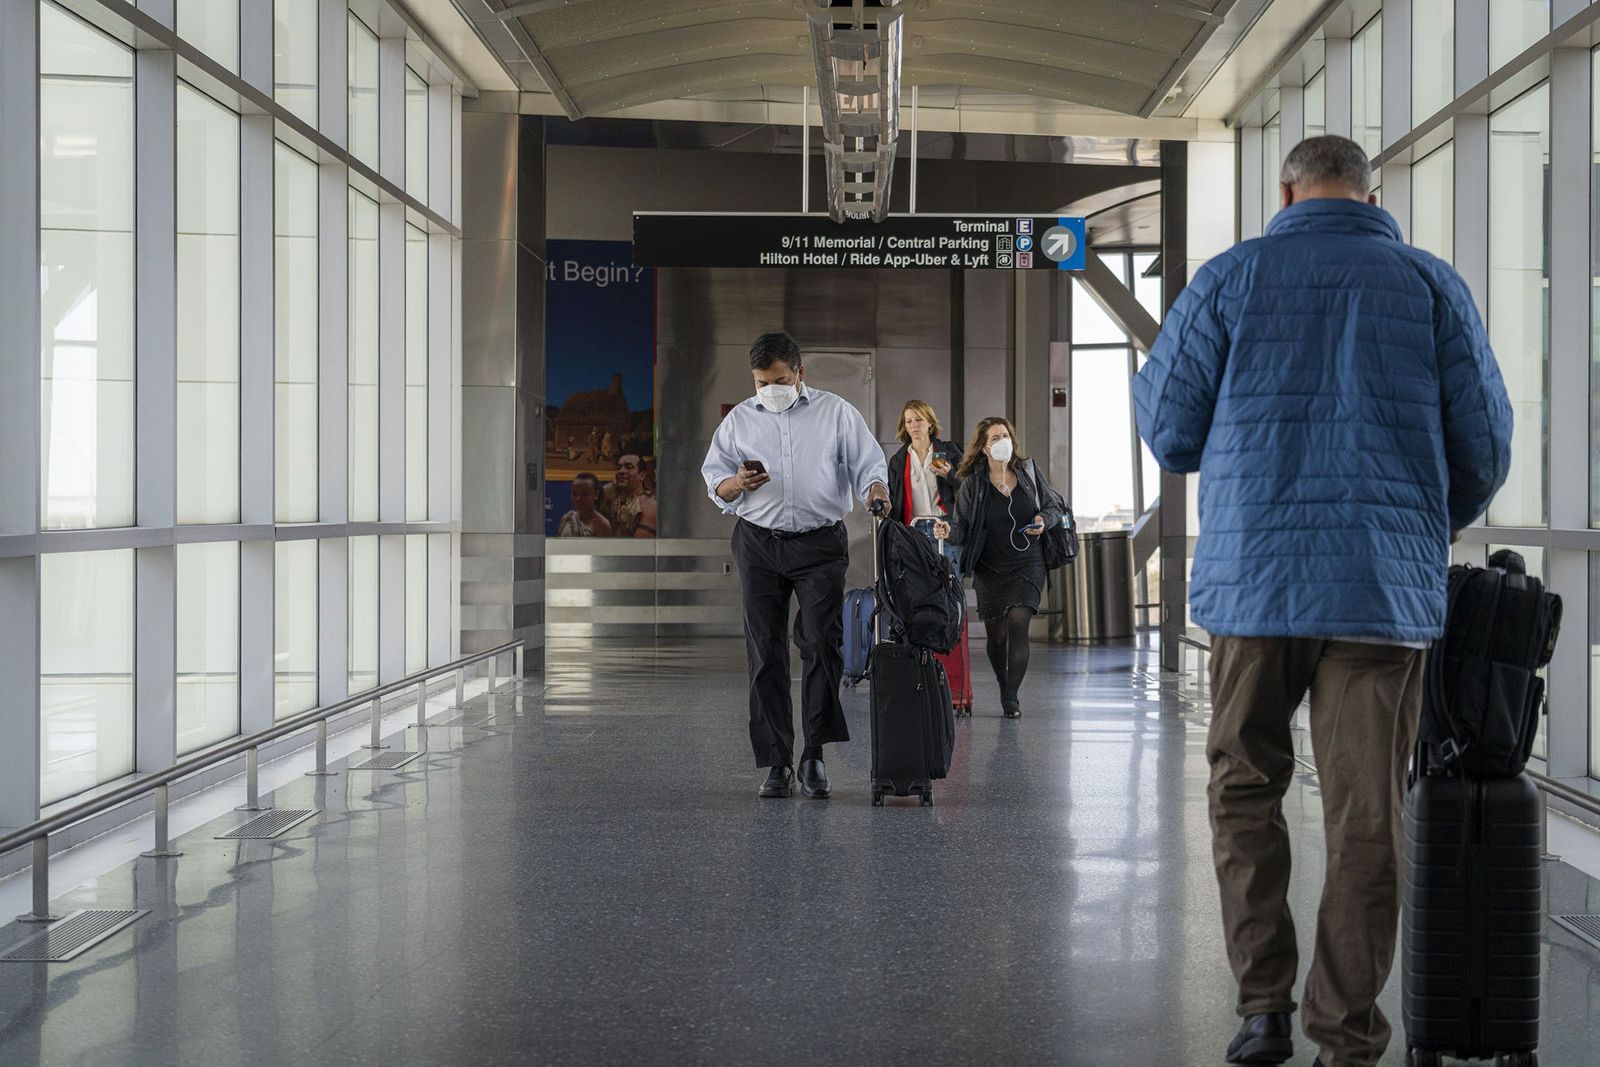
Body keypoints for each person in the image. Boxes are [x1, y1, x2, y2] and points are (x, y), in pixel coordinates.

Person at [1133, 135, 1512, 1067]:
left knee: (1244, 790)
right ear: (1370, 189)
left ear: (1287, 188)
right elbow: (1487, 448)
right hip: (1380, 596)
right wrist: (1422, 521)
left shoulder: (1227, 280)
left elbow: (1171, 431)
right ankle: (1346, 1031)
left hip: (1254, 590)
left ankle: (1262, 1006)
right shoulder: (1431, 285)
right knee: (1367, 815)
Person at [701, 331, 889, 800]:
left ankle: (815, 757)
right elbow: (714, 482)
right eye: (762, 382)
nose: (770, 389)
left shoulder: (837, 412)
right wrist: (737, 483)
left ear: (800, 373)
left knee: (821, 644)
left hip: (820, 544)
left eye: (780, 379)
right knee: (764, 651)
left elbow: (869, 465)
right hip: (757, 543)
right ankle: (777, 763)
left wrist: (876, 491)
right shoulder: (740, 420)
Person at [933, 416, 1062, 720]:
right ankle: (1004, 683)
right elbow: (961, 528)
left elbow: (1055, 505)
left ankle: (1011, 696)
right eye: (994, 438)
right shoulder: (973, 484)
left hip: (1028, 562)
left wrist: (1044, 520)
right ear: (983, 448)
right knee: (998, 636)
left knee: (1019, 623)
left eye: (1005, 435)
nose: (1002, 441)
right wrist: (946, 531)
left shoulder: (1028, 472)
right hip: (989, 567)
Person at [885, 399, 962, 545]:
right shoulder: (898, 461)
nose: (914, 425)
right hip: (913, 529)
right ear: (905, 427)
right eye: (909, 421)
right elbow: (893, 499)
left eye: (919, 419)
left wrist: (949, 475)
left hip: (945, 526)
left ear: (930, 423)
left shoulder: (950, 451)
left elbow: (971, 486)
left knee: (949, 568)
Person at [601, 454, 657, 538]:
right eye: (619, 468)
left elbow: (639, 544)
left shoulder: (649, 504)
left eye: (629, 467)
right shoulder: (609, 496)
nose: (621, 471)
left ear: (642, 475)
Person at [557, 473, 613, 537]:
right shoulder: (566, 519)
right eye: (574, 494)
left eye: (584, 494)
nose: (578, 498)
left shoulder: (602, 525)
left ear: (596, 494)